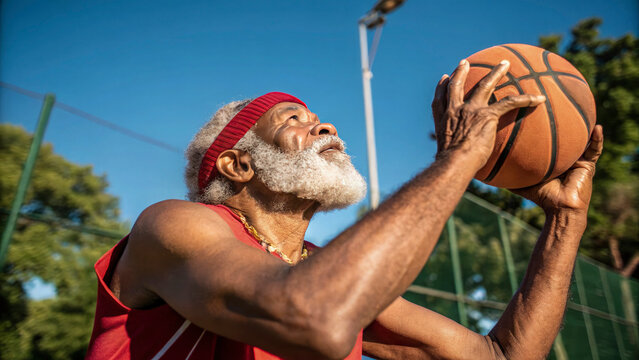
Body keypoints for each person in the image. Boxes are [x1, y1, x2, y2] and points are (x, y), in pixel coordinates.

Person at [86, 59, 603, 360]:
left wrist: (565, 220)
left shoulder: (319, 271)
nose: (326, 127)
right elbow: (315, 316)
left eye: (321, 119)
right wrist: (461, 156)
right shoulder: (175, 225)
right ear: (238, 165)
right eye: (295, 120)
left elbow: (505, 358)